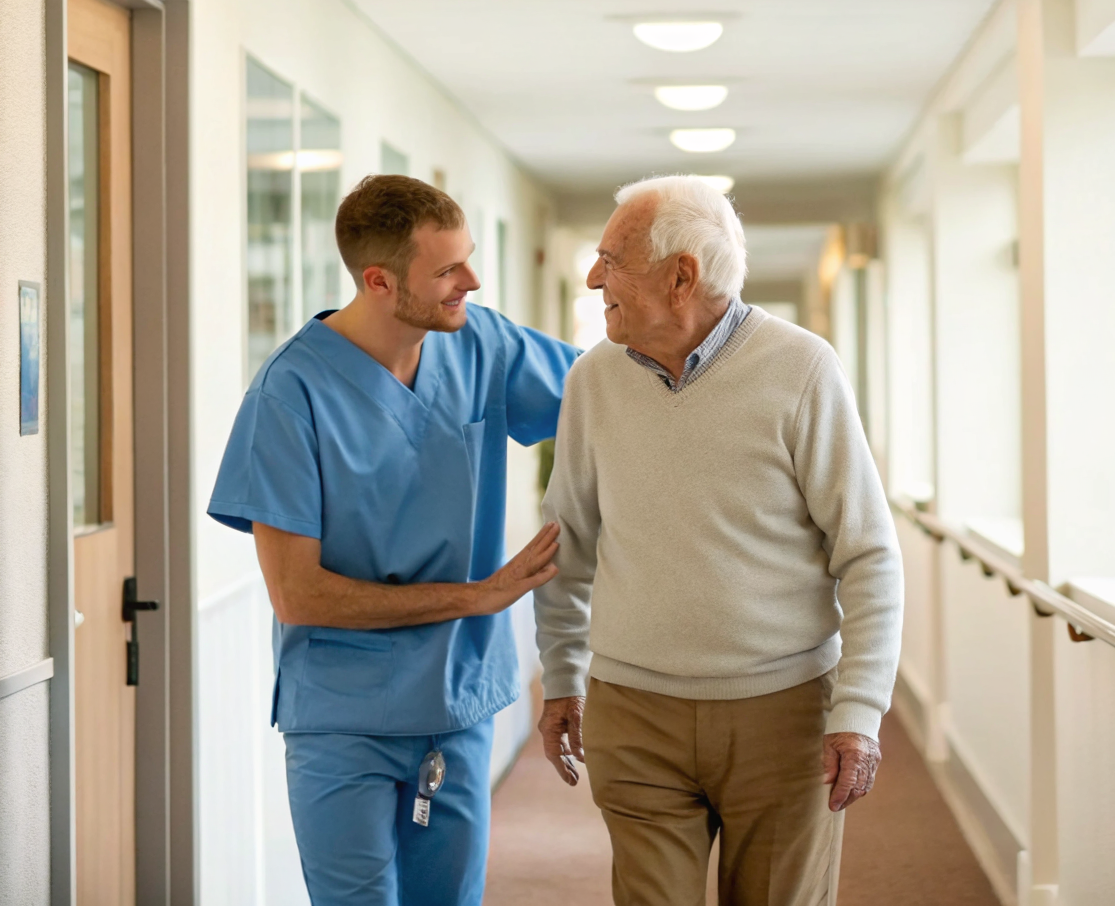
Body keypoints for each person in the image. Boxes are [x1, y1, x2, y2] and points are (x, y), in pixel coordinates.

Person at [208, 174, 578, 906]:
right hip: (346, 717)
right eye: (447, 269)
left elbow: (614, 397)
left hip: (458, 702)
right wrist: (479, 596)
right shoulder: (290, 394)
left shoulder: (485, 345)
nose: (472, 280)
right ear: (378, 281)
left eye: (467, 258)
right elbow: (299, 594)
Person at [535, 174, 904, 906]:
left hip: (784, 711)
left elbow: (866, 554)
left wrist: (857, 713)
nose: (591, 277)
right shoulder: (592, 381)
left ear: (681, 276)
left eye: (611, 259)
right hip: (632, 710)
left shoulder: (801, 368)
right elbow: (566, 546)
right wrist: (562, 677)